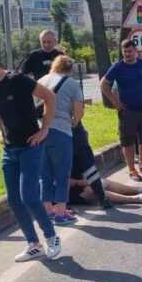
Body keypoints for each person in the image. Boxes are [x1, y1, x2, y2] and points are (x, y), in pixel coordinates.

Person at [0, 45, 62, 262]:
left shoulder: (18, 80)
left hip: (30, 147)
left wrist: (45, 129)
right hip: (9, 150)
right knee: (13, 200)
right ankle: (33, 244)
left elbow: (49, 97)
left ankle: (52, 237)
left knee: (29, 196)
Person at [37, 54, 85, 226]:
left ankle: (47, 210)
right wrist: (75, 121)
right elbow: (78, 109)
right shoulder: (72, 84)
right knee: (62, 173)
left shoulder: (42, 80)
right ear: (70, 69)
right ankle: (60, 213)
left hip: (40, 131)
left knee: (45, 173)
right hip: (61, 130)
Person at [100, 39, 142, 182]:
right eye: (125, 51)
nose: (127, 54)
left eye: (130, 51)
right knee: (128, 141)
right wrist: (115, 101)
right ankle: (132, 169)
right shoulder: (118, 67)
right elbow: (104, 84)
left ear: (136, 51)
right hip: (126, 111)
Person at [68, 175, 142, 207]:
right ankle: (132, 199)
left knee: (102, 181)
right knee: (93, 189)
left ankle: (138, 190)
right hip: (70, 195)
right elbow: (70, 183)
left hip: (76, 186)